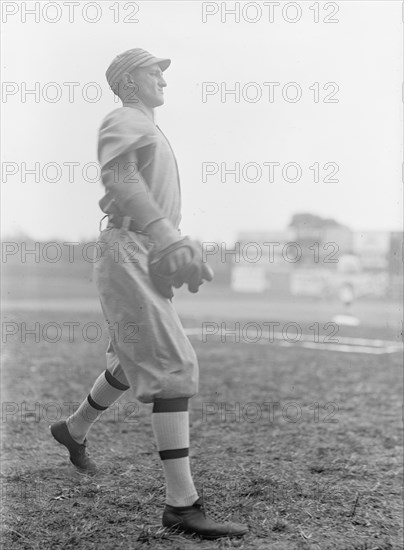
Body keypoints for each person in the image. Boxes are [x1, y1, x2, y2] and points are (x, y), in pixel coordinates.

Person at [50, 48, 248, 540]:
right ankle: (182, 506)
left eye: (163, 70)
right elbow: (117, 176)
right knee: (173, 367)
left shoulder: (148, 126)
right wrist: (167, 234)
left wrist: (173, 239)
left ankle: (72, 429)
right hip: (129, 248)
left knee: (130, 358)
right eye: (152, 70)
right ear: (128, 82)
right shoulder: (123, 117)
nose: (162, 75)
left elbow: (147, 195)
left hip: (140, 249)